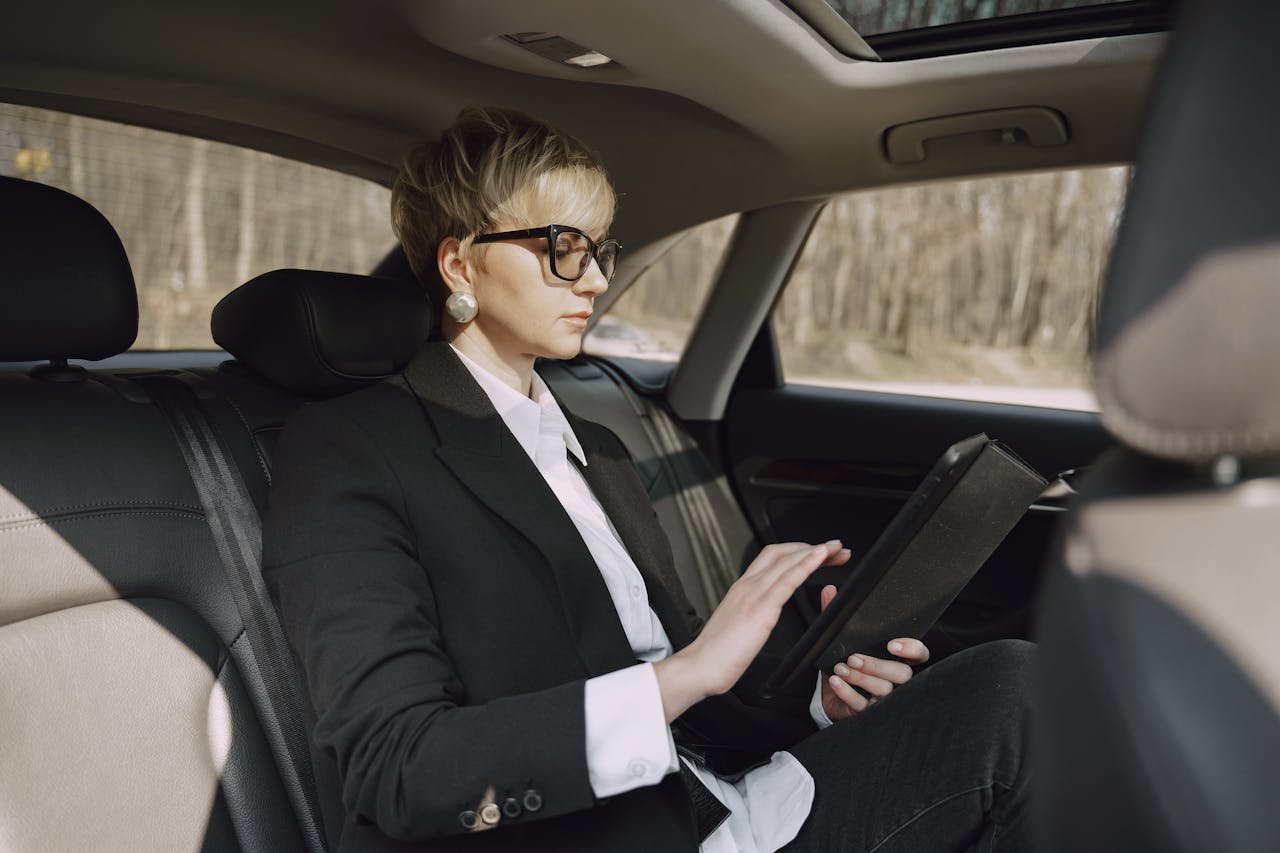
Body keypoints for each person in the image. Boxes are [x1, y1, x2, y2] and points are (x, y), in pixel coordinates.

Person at [262, 105, 1033, 853]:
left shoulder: (595, 445)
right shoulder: (350, 449)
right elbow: (398, 769)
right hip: (593, 831)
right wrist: (685, 673)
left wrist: (818, 700)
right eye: (565, 246)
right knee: (1016, 698)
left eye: (601, 250)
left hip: (728, 801)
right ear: (461, 263)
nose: (594, 279)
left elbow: (690, 687)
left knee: (1012, 681)